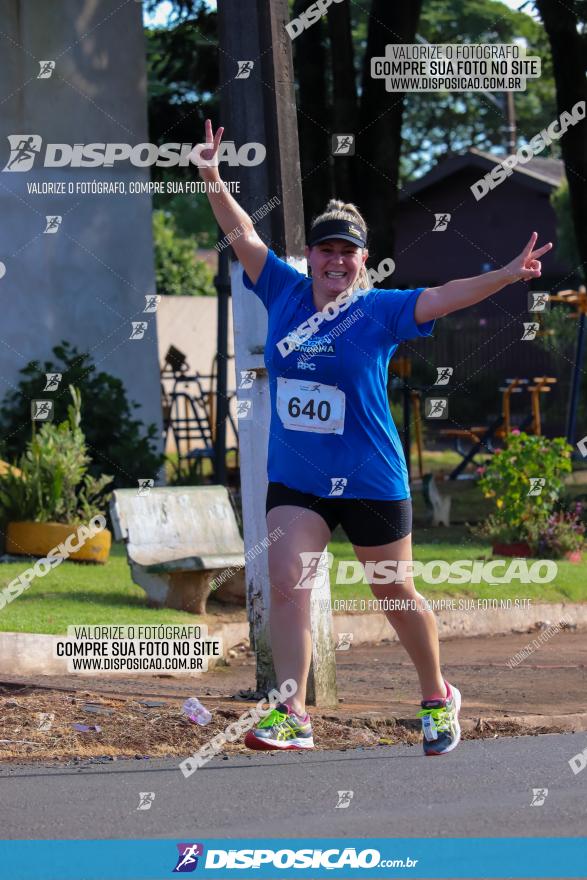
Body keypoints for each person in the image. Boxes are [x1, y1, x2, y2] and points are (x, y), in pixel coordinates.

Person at [194, 119, 552, 756]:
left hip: (370, 478)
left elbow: (444, 295)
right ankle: (293, 714)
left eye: (347, 252)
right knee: (287, 582)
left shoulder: (379, 309)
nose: (335, 260)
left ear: (363, 262)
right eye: (325, 249)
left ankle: (438, 696)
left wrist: (503, 275)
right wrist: (214, 178)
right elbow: (242, 233)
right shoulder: (280, 286)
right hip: (298, 480)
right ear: (311, 257)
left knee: (393, 591)